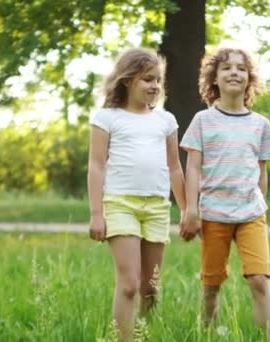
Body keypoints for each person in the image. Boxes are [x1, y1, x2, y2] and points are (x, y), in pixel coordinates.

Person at [87, 47, 186, 342]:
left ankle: (145, 333)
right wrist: (96, 213)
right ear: (128, 80)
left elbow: (175, 167)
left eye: (158, 80)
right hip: (120, 204)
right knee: (129, 283)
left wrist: (186, 210)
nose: (155, 85)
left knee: (151, 287)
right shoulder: (107, 118)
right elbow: (96, 165)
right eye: (147, 79)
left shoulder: (165, 121)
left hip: (156, 207)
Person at [180, 45, 270, 340]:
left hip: (251, 214)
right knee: (211, 285)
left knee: (260, 279)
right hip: (214, 214)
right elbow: (193, 168)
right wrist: (191, 209)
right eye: (226, 68)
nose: (234, 72)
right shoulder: (202, 121)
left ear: (249, 78)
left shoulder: (261, 124)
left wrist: (261, 204)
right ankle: (205, 334)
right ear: (214, 78)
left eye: (241, 68)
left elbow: (261, 171)